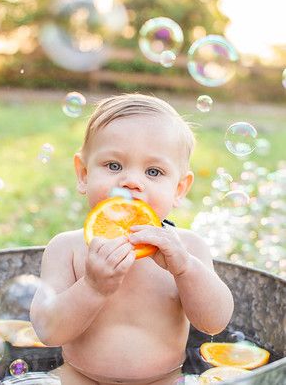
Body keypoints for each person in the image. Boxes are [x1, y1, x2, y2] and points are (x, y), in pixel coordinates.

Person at [30, 93, 234, 385]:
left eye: (154, 171)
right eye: (114, 166)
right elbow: (47, 332)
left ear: (179, 189)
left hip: (163, 381)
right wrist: (92, 287)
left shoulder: (188, 249)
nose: (131, 182)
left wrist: (185, 269)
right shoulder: (67, 248)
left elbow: (214, 322)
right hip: (78, 377)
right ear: (84, 174)